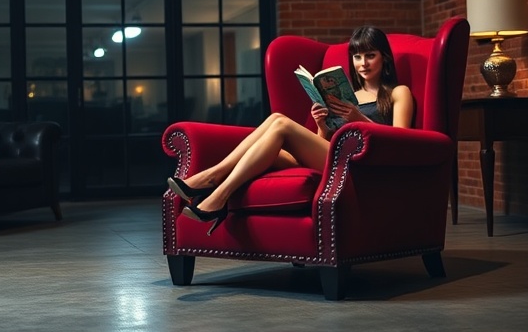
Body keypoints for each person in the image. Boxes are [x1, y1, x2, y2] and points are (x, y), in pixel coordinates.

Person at [167, 26, 414, 235]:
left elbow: (400, 141)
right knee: (271, 139)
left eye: (370, 56)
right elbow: (323, 142)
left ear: (385, 58)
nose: (363, 63)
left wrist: (357, 117)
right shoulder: (348, 95)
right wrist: (321, 126)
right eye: (357, 57)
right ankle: (217, 193)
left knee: (281, 122)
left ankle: (213, 183)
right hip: (332, 156)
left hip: (361, 165)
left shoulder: (398, 92)